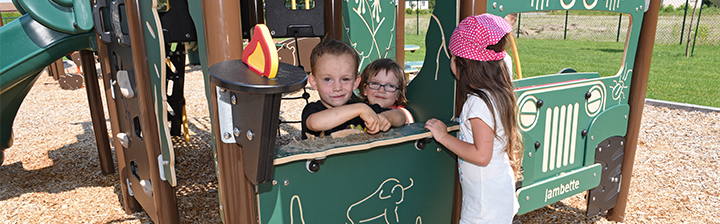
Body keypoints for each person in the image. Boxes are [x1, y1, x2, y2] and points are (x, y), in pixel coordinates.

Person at [423, 14, 524, 223]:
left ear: (465, 64)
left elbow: (481, 156)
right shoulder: (497, 91)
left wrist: (442, 136)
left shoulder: (478, 103)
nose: (450, 62)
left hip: (484, 207)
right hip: (496, 195)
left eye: (452, 57)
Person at [301, 39, 405, 139]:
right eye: (328, 79)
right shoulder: (313, 111)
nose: (337, 87)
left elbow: (401, 116)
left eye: (345, 79)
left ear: (355, 82)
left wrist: (387, 117)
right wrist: (360, 109)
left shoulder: (362, 110)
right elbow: (315, 124)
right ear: (314, 82)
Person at [358, 58, 414, 123]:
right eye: (375, 83)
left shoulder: (403, 114)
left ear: (398, 95)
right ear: (364, 89)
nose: (381, 90)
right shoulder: (358, 112)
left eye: (390, 86)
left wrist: (389, 117)